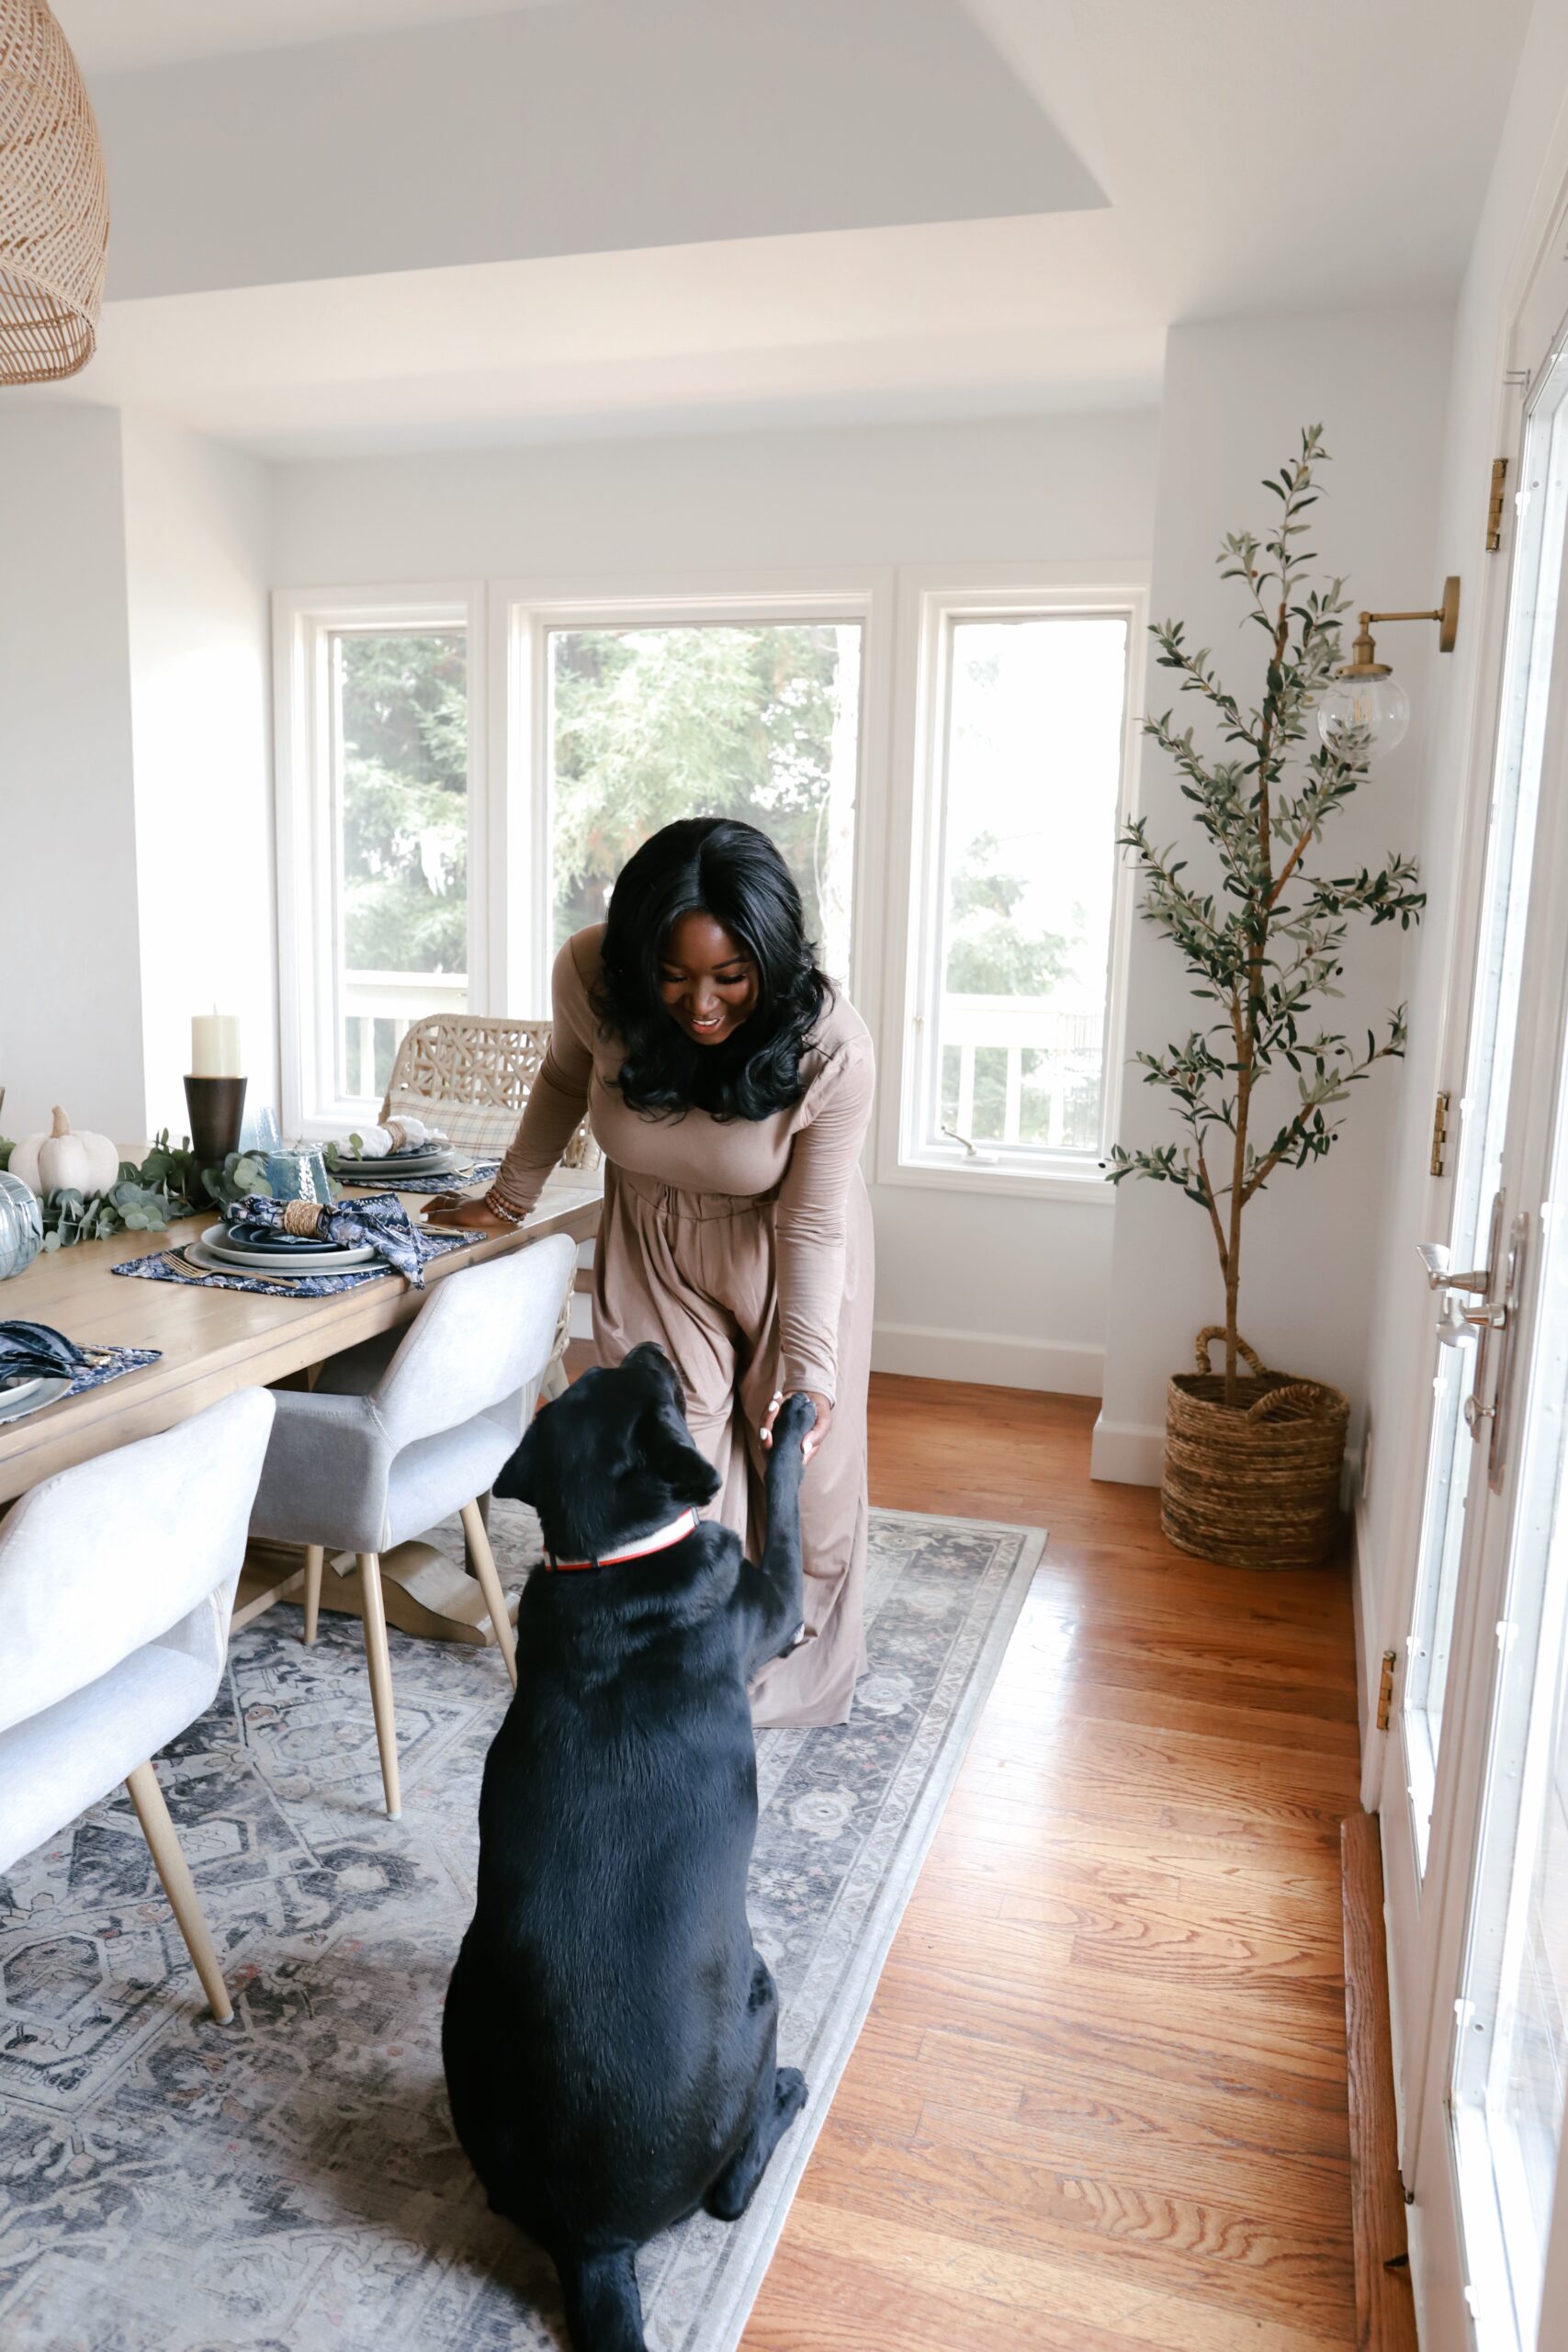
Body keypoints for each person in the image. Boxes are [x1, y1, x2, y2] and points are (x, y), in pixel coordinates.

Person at [433, 817, 874, 1728]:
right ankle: (682, 1668)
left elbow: (817, 1218)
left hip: (788, 1245)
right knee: (679, 1463)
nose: (701, 1006)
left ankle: (789, 1675)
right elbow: (562, 1079)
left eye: (729, 979)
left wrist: (811, 1371)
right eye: (673, 977)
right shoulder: (590, 976)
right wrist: (507, 1199)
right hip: (654, 1242)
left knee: (804, 1479)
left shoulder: (830, 1042)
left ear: (772, 959)